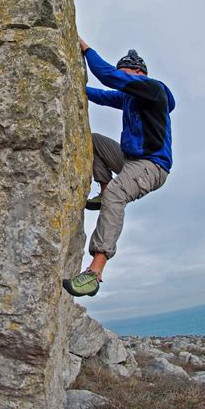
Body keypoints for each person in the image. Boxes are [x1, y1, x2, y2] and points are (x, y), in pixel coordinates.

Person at [62, 39, 175, 297]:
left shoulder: (152, 89)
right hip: (131, 160)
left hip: (152, 166)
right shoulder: (130, 98)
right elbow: (101, 96)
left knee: (117, 194)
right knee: (93, 141)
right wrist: (71, 82)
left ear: (138, 73)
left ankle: (95, 272)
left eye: (124, 73)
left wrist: (86, 50)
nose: (121, 79)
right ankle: (104, 189)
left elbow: (108, 78)